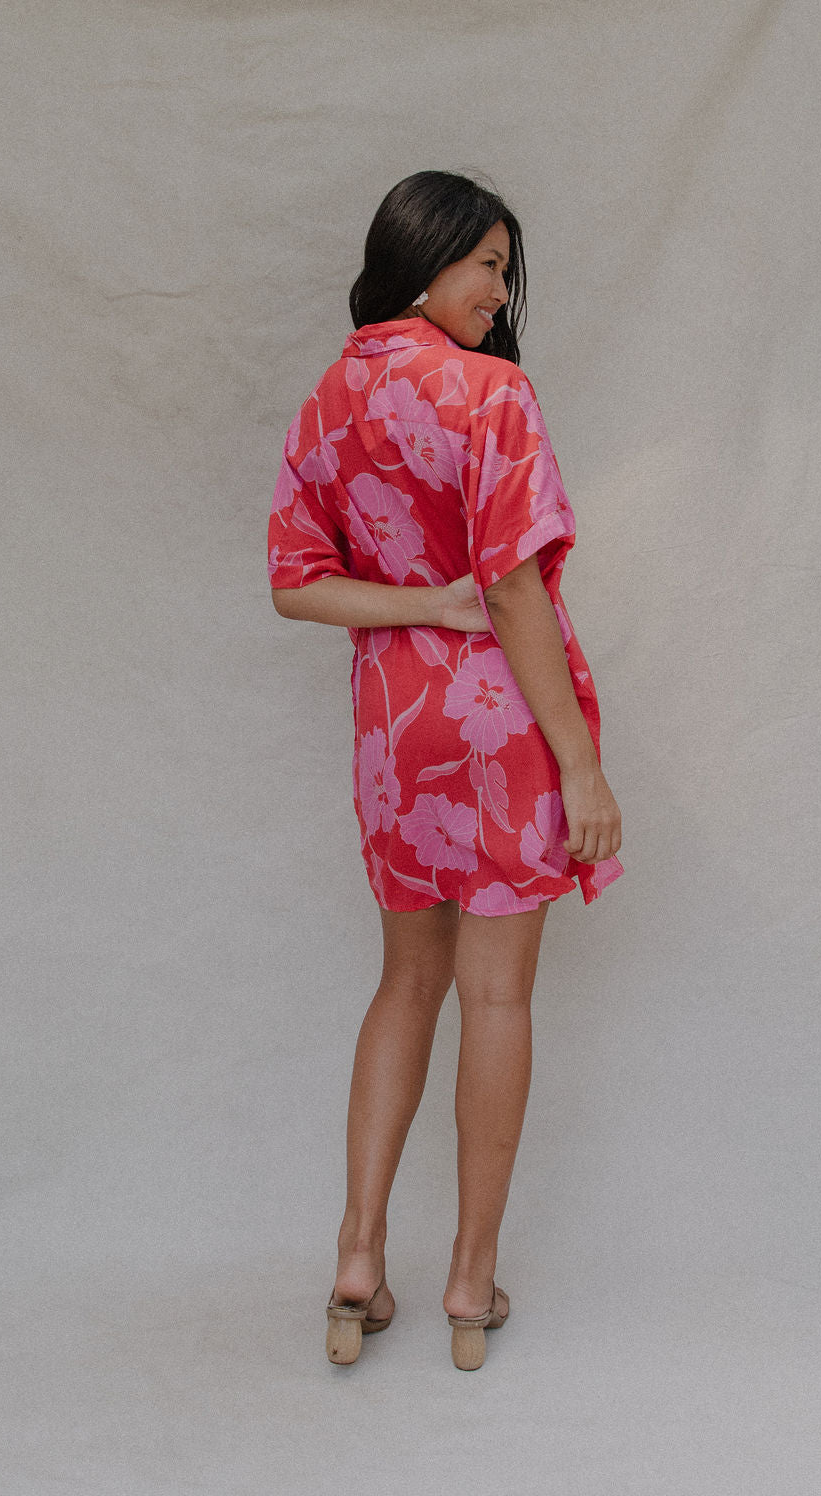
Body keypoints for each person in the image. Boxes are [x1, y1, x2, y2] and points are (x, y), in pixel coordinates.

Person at [267, 171, 623, 1370]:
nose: (499, 289)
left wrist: (416, 604)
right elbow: (512, 587)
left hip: (390, 729)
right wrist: (578, 764)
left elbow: (294, 582)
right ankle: (469, 1284)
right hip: (495, 726)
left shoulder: (331, 396)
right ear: (421, 258)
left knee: (402, 987)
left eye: (505, 268)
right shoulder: (491, 392)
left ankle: (358, 1259)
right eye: (484, 263)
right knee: (498, 998)